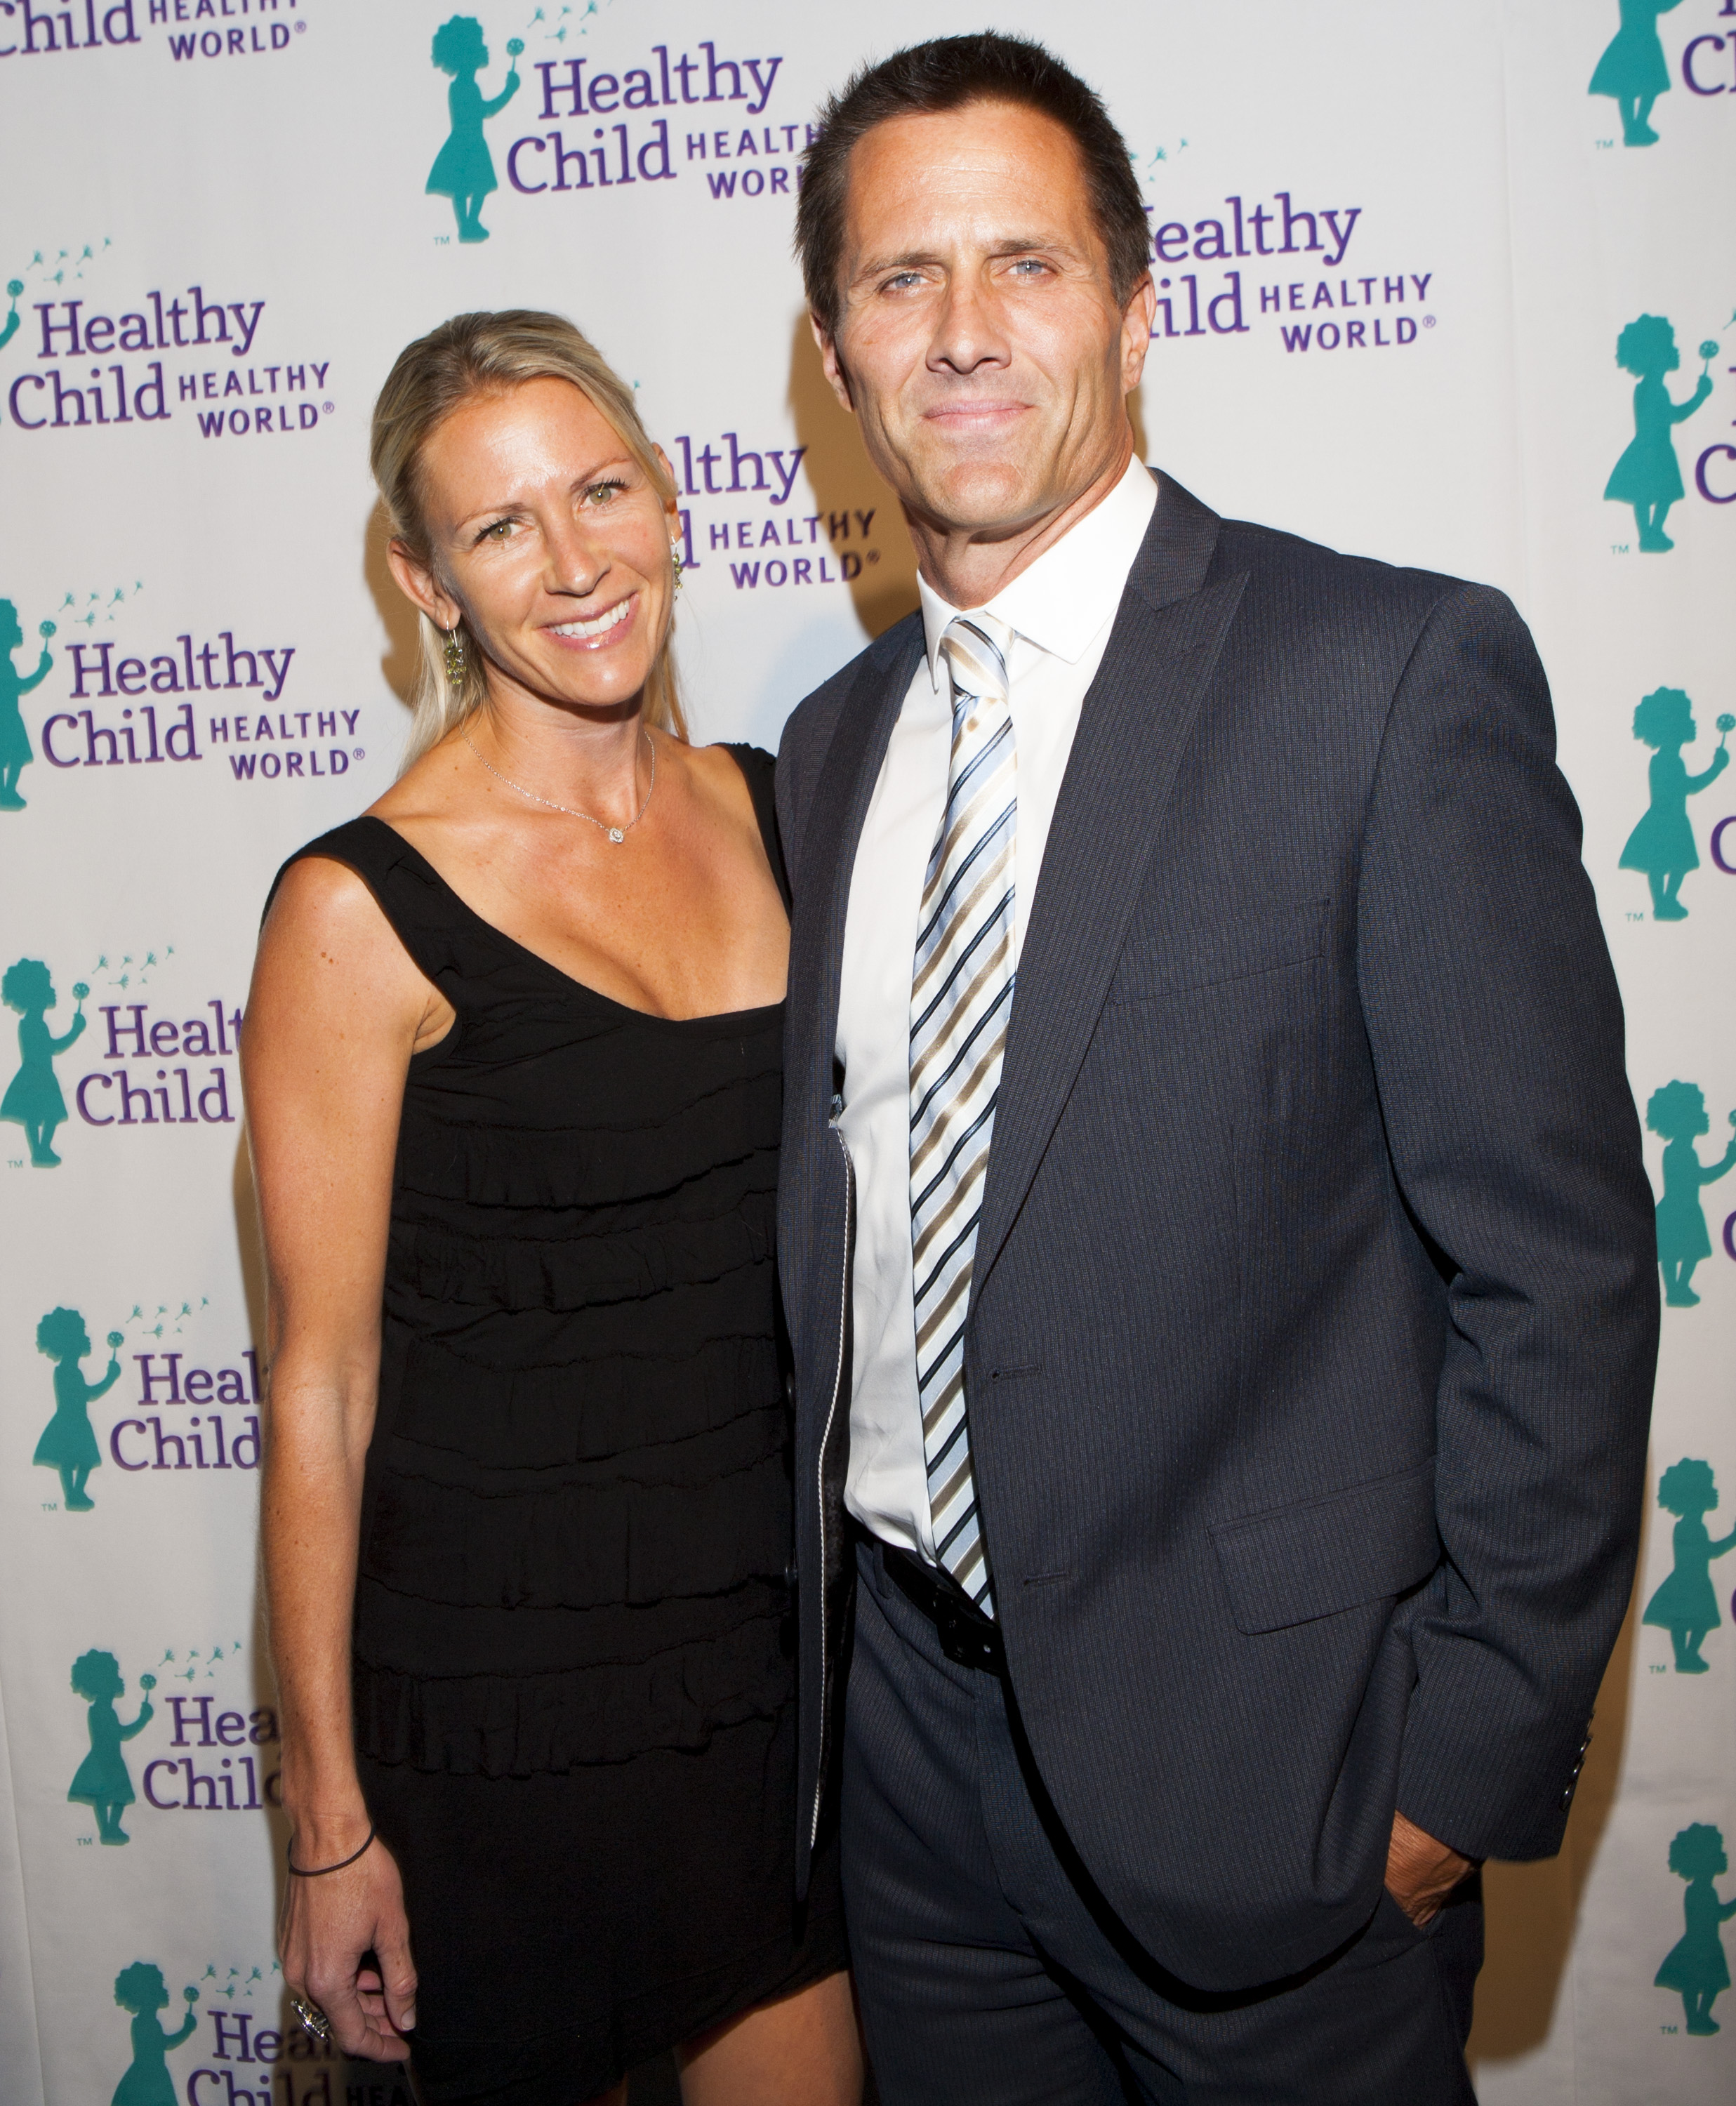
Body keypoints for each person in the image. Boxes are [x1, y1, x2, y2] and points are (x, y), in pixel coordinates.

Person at [776, 33, 1658, 2103]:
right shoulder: (826, 751)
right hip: (907, 1779)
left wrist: (1456, 1763)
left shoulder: (1377, 675)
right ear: (832, 353)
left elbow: (1553, 1268)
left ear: (1136, 308)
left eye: (1027, 262)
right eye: (902, 279)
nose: (966, 330)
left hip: (1281, 1783)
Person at [243, 312, 857, 2106]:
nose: (575, 559)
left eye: (600, 490)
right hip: (494, 1731)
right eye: (501, 527)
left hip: (764, 1700)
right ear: (424, 580)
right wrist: (327, 1824)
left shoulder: (776, 811)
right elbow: (321, 1390)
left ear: (671, 502)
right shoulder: (355, 910)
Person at [1619, 687, 1729, 920]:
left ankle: (1666, 902)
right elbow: (1688, 787)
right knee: (1665, 864)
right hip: (1668, 821)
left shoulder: (1668, 759)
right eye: (1687, 717)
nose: (1693, 722)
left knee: (1671, 864)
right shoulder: (1666, 760)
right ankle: (1662, 903)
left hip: (1670, 820)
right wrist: (1717, 768)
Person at [1605, 314, 1711, 552]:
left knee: (1653, 494)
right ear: (1655, 356)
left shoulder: (1650, 387)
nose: (1675, 351)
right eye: (1669, 347)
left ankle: (1651, 534)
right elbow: (1675, 416)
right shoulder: (1653, 388)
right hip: (1655, 449)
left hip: (1652, 447)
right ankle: (1650, 535)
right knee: (1657, 494)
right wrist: (1700, 396)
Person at [425, 17, 519, 244]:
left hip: (465, 142)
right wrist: (510, 91)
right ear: (467, 54)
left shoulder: (463, 85)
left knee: (467, 185)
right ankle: (468, 225)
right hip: (470, 143)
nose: (485, 50)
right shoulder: (464, 87)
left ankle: (469, 224)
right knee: (473, 185)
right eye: (480, 46)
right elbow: (486, 111)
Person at [1645, 1079, 1736, 1306]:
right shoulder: (1679, 1152)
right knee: (1674, 1252)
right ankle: (1675, 1290)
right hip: (1681, 1209)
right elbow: (1701, 1177)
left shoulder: (1682, 1150)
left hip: (1682, 1208)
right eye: (1699, 1110)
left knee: (1685, 1252)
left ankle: (1679, 1288)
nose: (1704, 1114)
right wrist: (1729, 1159)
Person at [1643, 1459, 1736, 1673]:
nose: (1714, 1491)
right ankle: (1684, 1657)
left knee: (1694, 1621)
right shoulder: (1690, 1526)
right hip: (1689, 1581)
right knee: (1684, 1620)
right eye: (1709, 1486)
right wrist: (1733, 1538)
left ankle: (1687, 1656)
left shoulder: (1693, 1525)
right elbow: (1709, 1552)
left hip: (1695, 1581)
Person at [34, 1309, 122, 1509]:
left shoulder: (68, 1370)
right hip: (73, 1421)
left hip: (71, 1420)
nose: (87, 1339)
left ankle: (75, 1494)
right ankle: (74, 1494)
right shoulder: (68, 1371)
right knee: (79, 1459)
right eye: (83, 1335)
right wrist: (111, 1377)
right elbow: (88, 1395)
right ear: (71, 1341)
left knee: (73, 1459)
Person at [1, 959, 84, 1165]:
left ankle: (40, 1150)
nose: (52, 990)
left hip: (35, 1075)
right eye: (47, 986)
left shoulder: (34, 1023)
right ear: (36, 994)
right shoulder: (32, 1024)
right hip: (38, 1076)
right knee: (45, 1113)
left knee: (37, 1113)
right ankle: (40, 1150)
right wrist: (76, 1030)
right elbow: (53, 1048)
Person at [1656, 1823, 1736, 2034]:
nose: (1723, 1856)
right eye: (1718, 1852)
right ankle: (1696, 2019)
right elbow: (1718, 1915)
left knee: (1698, 1984)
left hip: (1700, 1944)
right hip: (1703, 1945)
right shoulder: (1702, 1891)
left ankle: (1698, 2018)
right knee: (1703, 1984)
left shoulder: (1701, 1889)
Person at [68, 1651, 154, 1842]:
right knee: (109, 1796)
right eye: (116, 1677)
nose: (120, 1680)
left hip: (107, 1760)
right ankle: (108, 1830)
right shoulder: (101, 1711)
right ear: (104, 1682)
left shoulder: (103, 1710)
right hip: (106, 1761)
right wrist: (143, 1719)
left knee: (110, 1796)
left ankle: (110, 1830)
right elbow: (122, 1734)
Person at [1588, 0, 1683, 147]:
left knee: (1634, 89)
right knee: (1643, 87)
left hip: (1635, 40)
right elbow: (1659, 6)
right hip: (1641, 41)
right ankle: (1635, 128)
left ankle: (1636, 127)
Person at [109, 1964, 198, 2106]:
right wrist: (187, 2030)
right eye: (160, 1986)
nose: (165, 1991)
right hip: (150, 2078)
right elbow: (166, 2044)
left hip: (150, 2076)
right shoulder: (146, 2021)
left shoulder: (146, 2020)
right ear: (149, 1993)